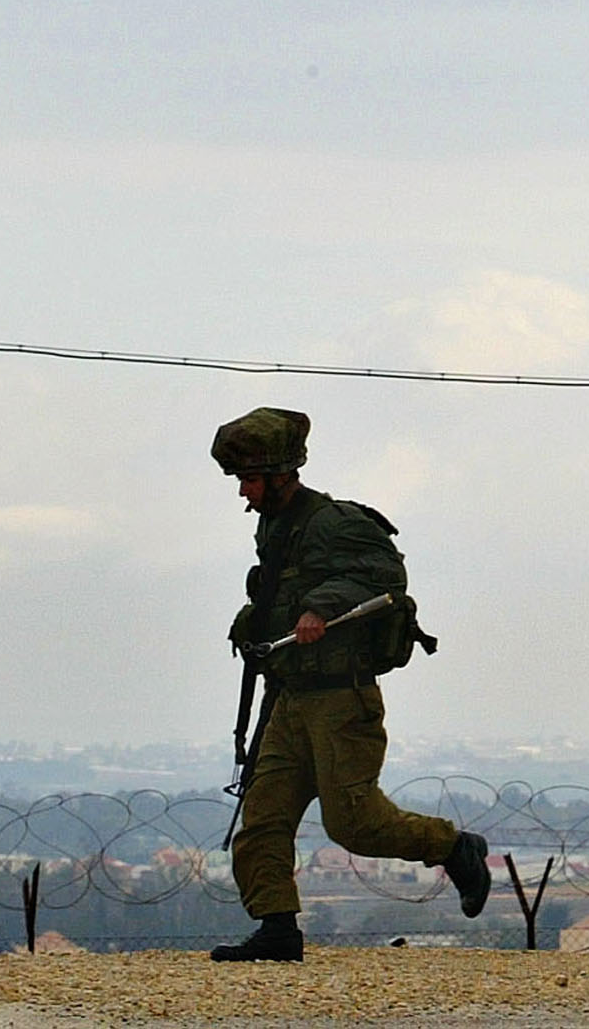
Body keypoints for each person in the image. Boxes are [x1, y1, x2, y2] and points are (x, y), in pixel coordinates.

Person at [208, 405, 489, 964]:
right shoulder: (275, 526)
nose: (243, 492)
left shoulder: (336, 521)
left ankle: (453, 847)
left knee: (354, 823)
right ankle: (278, 930)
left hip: (341, 699)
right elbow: (277, 593)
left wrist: (319, 608)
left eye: (250, 480)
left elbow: (386, 575)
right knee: (262, 819)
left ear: (281, 474)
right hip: (291, 700)